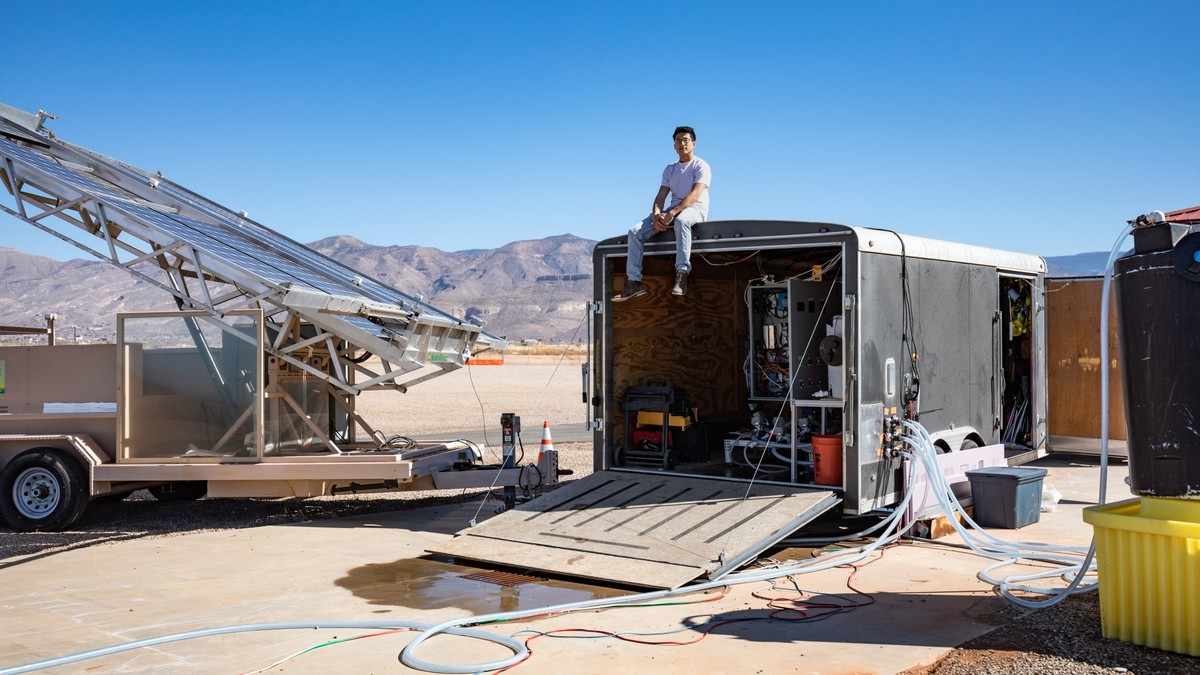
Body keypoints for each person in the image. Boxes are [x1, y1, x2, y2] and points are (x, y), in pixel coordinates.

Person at [613, 125, 711, 301]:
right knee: (634, 232)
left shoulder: (701, 166)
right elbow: (660, 196)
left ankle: (682, 274)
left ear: (694, 143)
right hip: (672, 211)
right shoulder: (669, 169)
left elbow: (695, 195)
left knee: (681, 221)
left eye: (686, 140)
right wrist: (657, 215)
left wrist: (672, 213)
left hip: (694, 210)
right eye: (678, 140)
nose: (682, 143)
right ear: (674, 146)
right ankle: (634, 282)